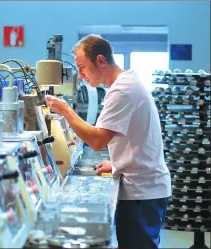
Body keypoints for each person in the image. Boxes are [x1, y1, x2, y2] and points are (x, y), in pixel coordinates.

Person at [45, 34, 171, 249]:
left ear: (101, 60)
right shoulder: (126, 82)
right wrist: (117, 164)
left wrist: (65, 110)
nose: (81, 74)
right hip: (141, 184)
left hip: (142, 191)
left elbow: (96, 141)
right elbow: (137, 138)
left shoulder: (122, 90)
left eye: (82, 67)